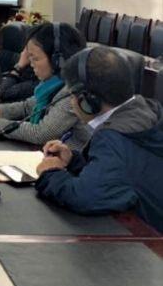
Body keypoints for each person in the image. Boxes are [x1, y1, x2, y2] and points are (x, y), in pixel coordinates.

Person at [36, 47, 163, 231]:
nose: (71, 102)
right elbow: (120, 174)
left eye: (72, 95)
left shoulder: (114, 137)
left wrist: (50, 173)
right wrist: (74, 161)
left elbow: (85, 197)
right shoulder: (147, 110)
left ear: (88, 100)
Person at [0, 23, 91, 149]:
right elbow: (27, 107)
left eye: (35, 59)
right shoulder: (50, 86)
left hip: (66, 160)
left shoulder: (72, 93)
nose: (31, 64)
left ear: (57, 61)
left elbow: (41, 133)